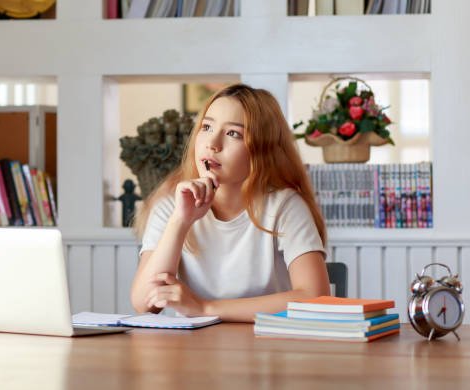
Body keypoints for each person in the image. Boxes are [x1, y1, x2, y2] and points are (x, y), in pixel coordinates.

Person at [130, 83, 330, 322]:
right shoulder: (171, 206)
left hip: (269, 350)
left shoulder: (284, 206)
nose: (212, 143)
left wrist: (205, 308)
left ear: (262, 149)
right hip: (192, 352)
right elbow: (143, 303)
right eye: (206, 127)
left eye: (233, 133)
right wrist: (181, 221)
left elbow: (315, 296)